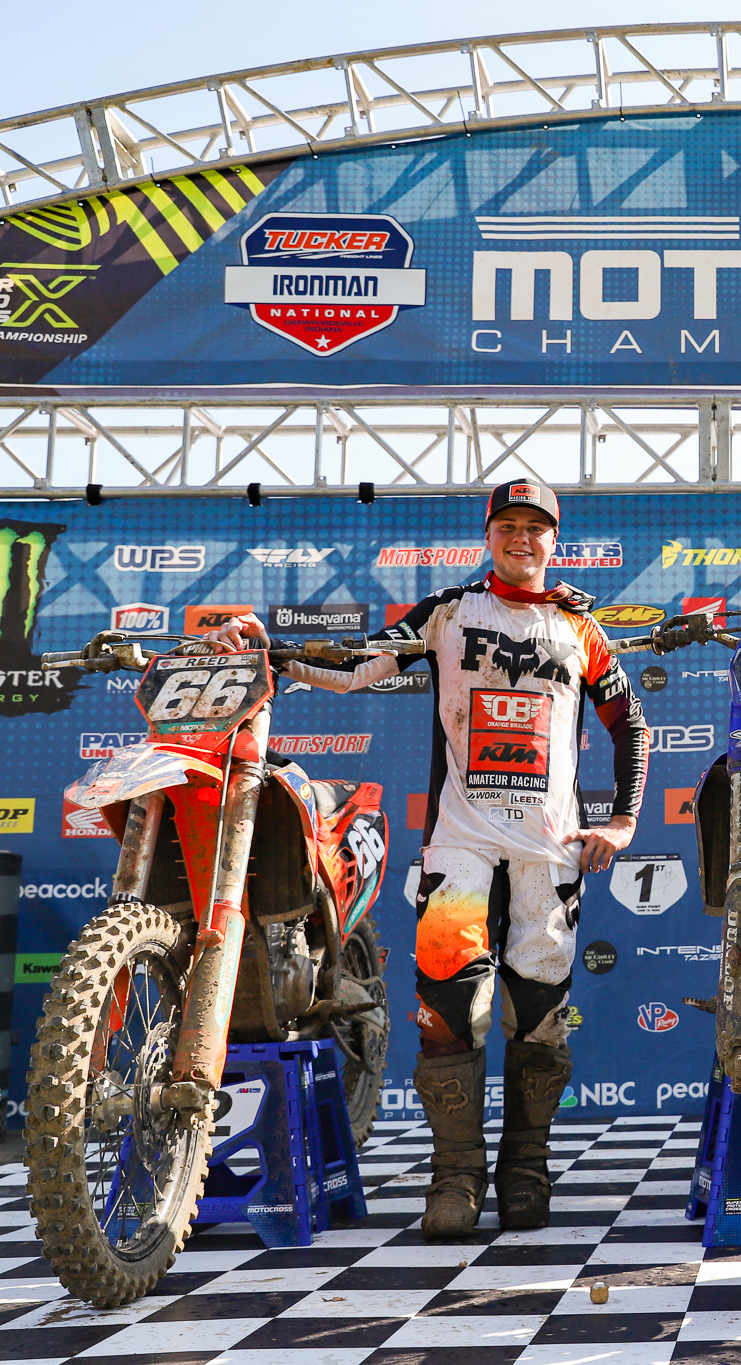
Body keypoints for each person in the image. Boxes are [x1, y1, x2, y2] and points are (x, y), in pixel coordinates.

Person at [205, 481, 648, 1237]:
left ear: (554, 541)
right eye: (507, 525)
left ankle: (526, 1169)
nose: (521, 538)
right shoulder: (449, 610)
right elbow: (357, 665)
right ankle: (455, 1176)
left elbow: (629, 723)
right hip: (460, 844)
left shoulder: (582, 626)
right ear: (488, 535)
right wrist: (267, 650)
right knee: (449, 1011)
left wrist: (625, 819)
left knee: (540, 1016)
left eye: (535, 527)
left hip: (549, 852)